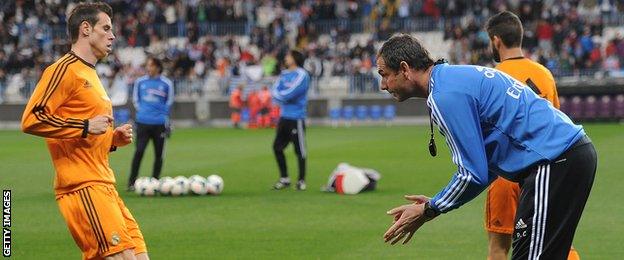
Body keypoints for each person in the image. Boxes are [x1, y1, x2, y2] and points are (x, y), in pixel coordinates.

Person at [378, 34, 596, 260]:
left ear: (404, 69)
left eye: (383, 75)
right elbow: (486, 165)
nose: (383, 85)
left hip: (555, 162)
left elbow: (473, 174)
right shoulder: (453, 79)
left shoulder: (445, 95)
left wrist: (429, 209)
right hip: (566, 157)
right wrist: (434, 204)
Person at [21, 2, 149, 259]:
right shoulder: (62, 70)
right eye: (106, 28)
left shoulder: (90, 73)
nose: (113, 35)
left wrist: (111, 139)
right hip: (82, 186)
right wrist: (86, 126)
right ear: (86, 29)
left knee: (139, 255)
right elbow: (32, 119)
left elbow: (84, 133)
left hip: (105, 185)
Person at [485, 11, 579, 260]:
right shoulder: (544, 74)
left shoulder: (490, 77)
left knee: (499, 248)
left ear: (496, 40)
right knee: (556, 243)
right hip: (543, 174)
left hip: (505, 174)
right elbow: (556, 123)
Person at [127, 57, 174, 190]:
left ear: (158, 67)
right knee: (139, 151)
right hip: (143, 122)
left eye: (151, 65)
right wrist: (143, 111)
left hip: (159, 123)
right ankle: (131, 182)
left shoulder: (167, 83)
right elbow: (136, 100)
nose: (149, 68)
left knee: (159, 154)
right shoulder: (140, 82)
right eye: (148, 65)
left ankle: (155, 181)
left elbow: (169, 102)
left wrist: (162, 115)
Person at [271, 49, 310, 190]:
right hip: (284, 117)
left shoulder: (302, 75)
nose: (286, 58)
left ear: (294, 58)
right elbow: (274, 91)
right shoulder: (284, 74)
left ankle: (301, 180)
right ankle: (285, 178)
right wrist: (281, 96)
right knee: (276, 147)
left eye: (288, 56)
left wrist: (280, 96)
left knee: (300, 150)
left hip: (296, 117)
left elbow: (289, 94)